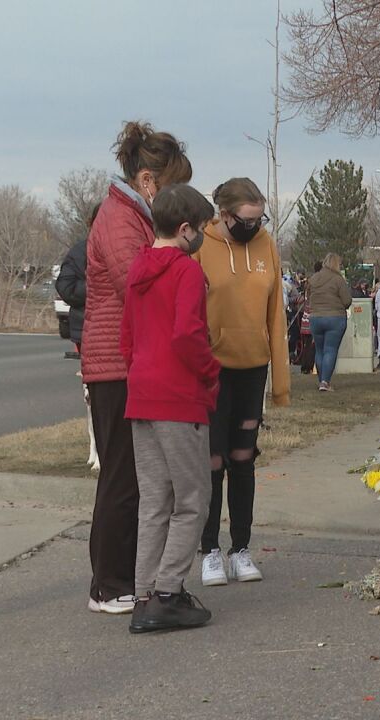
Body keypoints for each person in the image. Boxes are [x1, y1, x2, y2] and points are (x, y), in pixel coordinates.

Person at [82, 121, 192, 615]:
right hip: (113, 365)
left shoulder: (133, 216)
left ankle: (120, 575)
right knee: (123, 476)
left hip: (128, 362)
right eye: (174, 187)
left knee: (134, 475)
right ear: (149, 181)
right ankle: (109, 582)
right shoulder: (120, 219)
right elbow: (140, 285)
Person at [120, 185, 219, 633]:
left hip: (141, 395)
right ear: (185, 230)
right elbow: (187, 334)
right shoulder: (185, 272)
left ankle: (143, 593)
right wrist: (210, 371)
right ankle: (168, 592)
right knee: (192, 500)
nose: (203, 237)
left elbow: (127, 340)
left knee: (154, 501)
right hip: (178, 398)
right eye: (201, 229)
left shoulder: (138, 269)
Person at [193, 178, 290, 586]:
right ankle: (210, 549)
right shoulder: (201, 244)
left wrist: (281, 380)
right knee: (212, 462)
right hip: (212, 370)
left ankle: (241, 548)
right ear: (226, 215)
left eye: (259, 218)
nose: (254, 225)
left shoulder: (266, 244)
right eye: (247, 219)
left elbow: (276, 312)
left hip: (254, 366)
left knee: (243, 459)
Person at [55, 204, 100, 355]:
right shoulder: (80, 251)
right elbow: (66, 288)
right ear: (92, 223)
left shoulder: (127, 248)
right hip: (85, 327)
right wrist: (94, 286)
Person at [307, 253, 352, 392]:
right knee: (330, 350)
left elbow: (308, 297)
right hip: (335, 318)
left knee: (319, 350)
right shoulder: (338, 280)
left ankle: (321, 380)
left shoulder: (314, 278)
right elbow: (347, 301)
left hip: (316, 317)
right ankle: (325, 382)